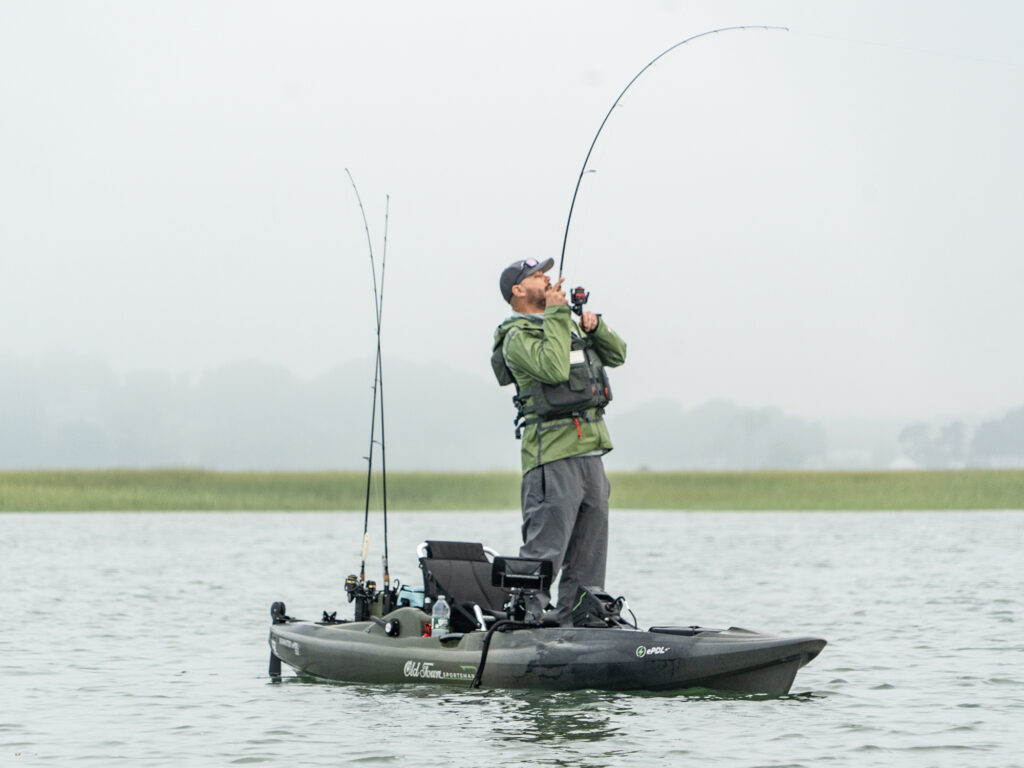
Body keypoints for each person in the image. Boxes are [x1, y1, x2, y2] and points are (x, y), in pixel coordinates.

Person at [490, 257, 627, 624]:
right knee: (545, 549)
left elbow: (618, 354)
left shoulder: (563, 328)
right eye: (537, 276)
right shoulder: (517, 337)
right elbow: (553, 369)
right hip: (550, 456)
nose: (547, 278)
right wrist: (556, 314)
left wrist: (595, 327)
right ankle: (526, 623)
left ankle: (583, 621)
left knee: (590, 553)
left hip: (590, 452)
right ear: (518, 291)